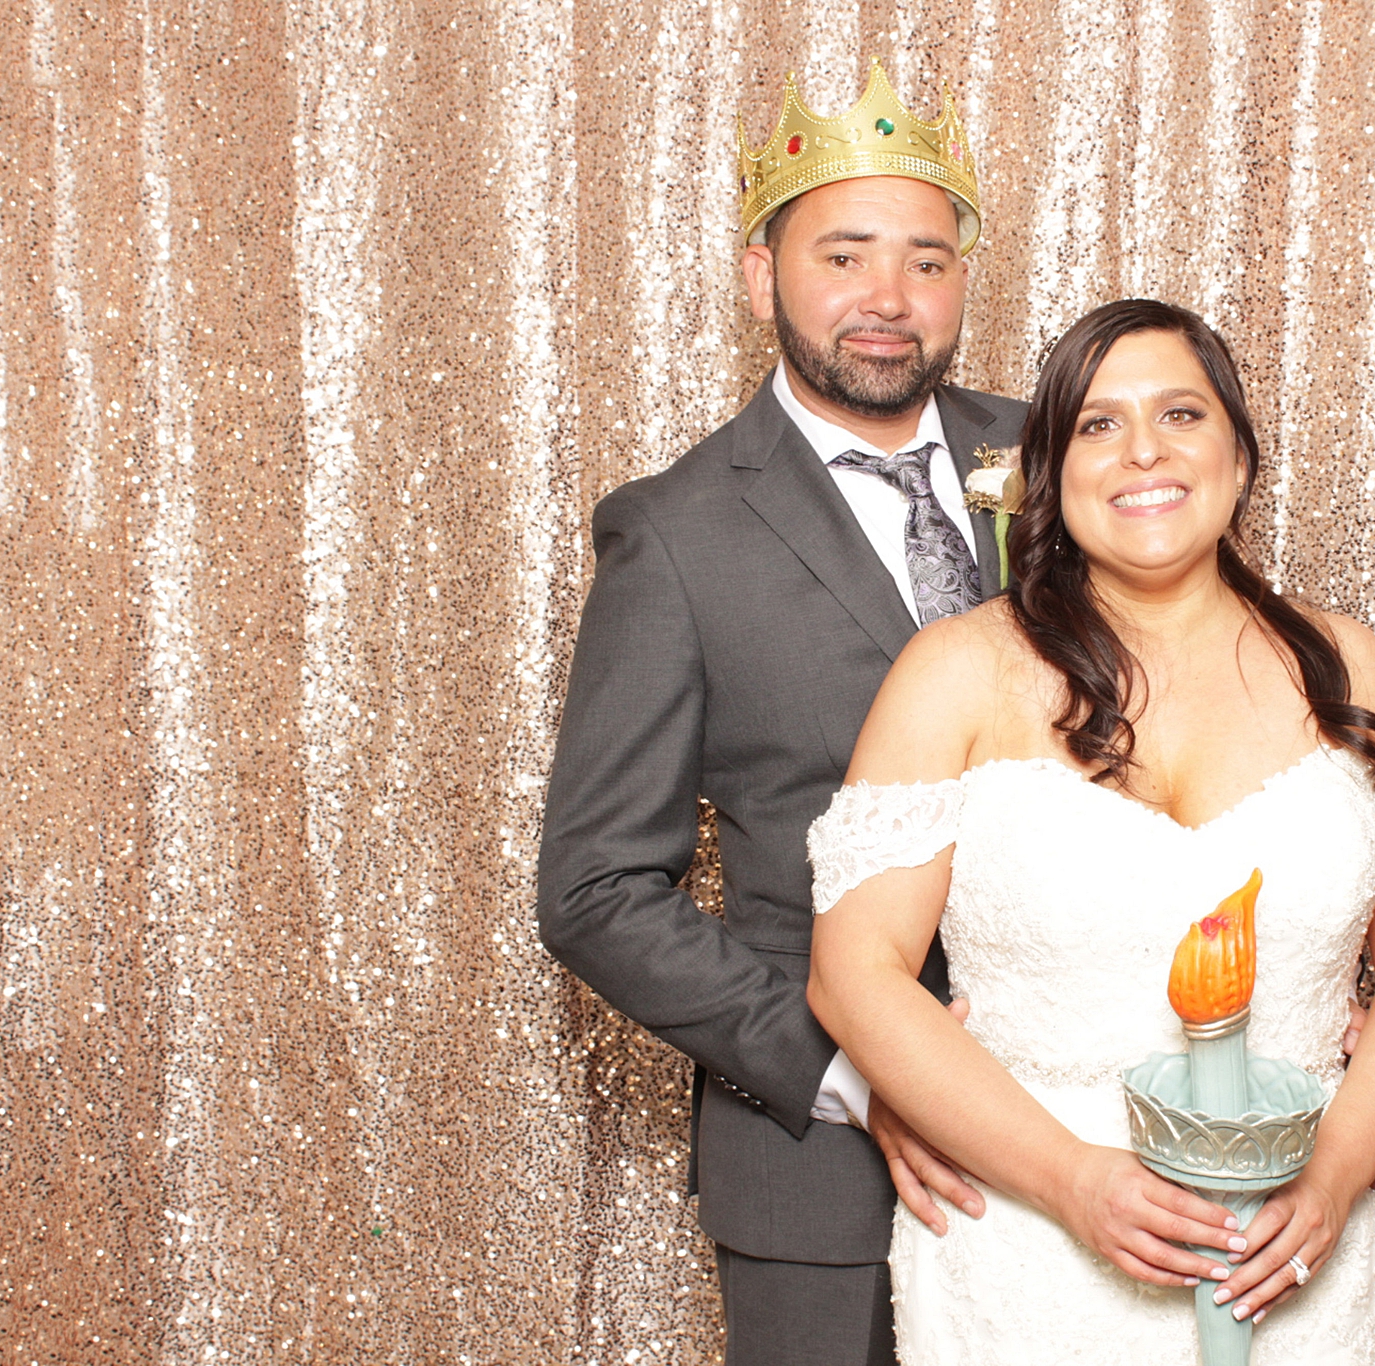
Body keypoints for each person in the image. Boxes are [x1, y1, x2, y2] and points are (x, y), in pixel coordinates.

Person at [806, 298, 1375, 1363]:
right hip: (1026, 1255)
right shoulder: (955, 673)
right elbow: (855, 973)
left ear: (1239, 454)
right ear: (1049, 470)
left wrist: (1337, 1169)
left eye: (1180, 414)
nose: (1143, 453)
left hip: (1294, 1251)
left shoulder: (1347, 669)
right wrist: (1072, 1180)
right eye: (1096, 425)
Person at [536, 62, 1021, 1366]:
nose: (887, 299)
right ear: (762, 278)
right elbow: (594, 889)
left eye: (927, 260)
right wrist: (863, 1069)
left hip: (1095, 1118)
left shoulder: (1074, 458)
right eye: (845, 255)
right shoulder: (679, 535)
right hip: (829, 1178)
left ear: (965, 278)